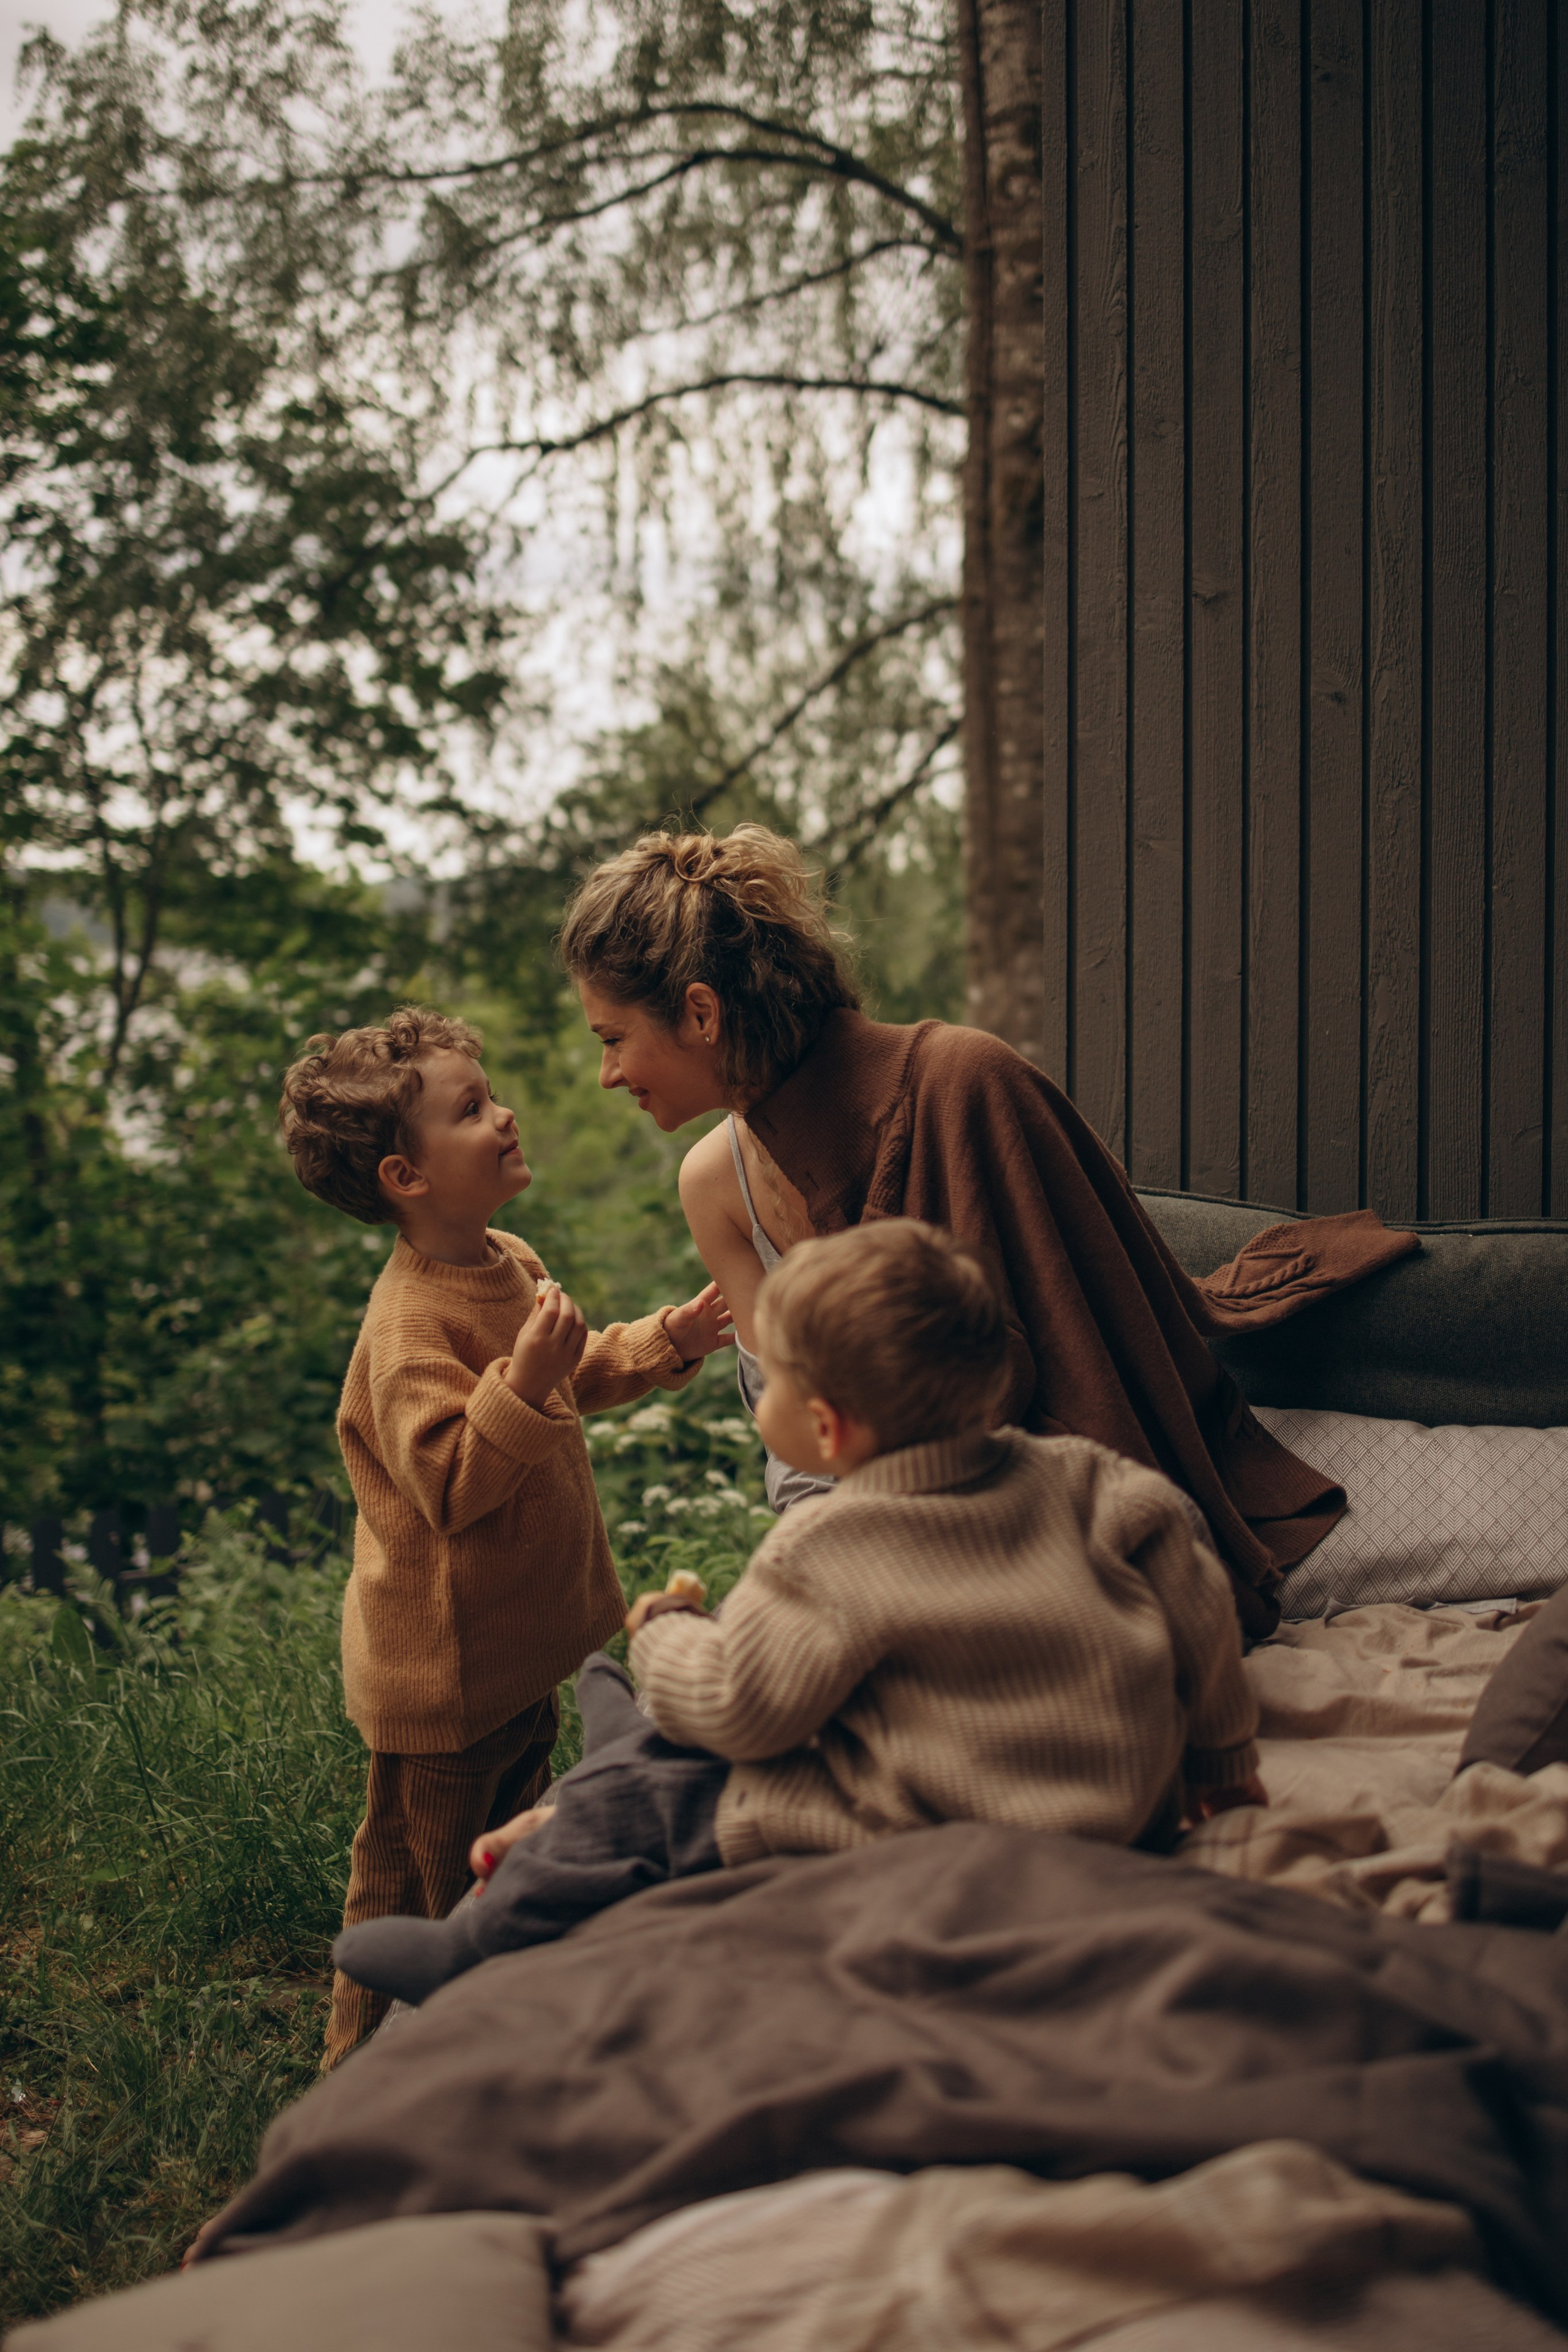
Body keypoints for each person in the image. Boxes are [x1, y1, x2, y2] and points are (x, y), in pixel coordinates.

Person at [331, 1219, 1262, 2008]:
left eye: (768, 1380)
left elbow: (746, 1707)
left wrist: (663, 1639)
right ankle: (627, 1742)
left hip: (937, 1844)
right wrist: (1219, 1760)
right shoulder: (1091, 1478)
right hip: (1123, 1820)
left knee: (678, 1796)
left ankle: (486, 1936)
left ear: (825, 1430)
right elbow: (1200, 1602)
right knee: (711, 1730)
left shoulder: (832, 1544)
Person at [558, 826, 1419, 1637]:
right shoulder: (714, 1187)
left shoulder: (966, 1081)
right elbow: (805, 1449)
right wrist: (817, 1579)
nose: (605, 1075)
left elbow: (1076, 1376)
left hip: (1022, 1523)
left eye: (613, 1039)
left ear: (701, 1015)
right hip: (868, 1543)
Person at [277, 1006, 734, 2067]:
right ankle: (367, 2083)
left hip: (522, 1655)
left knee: (514, 1853)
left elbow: (563, 1374)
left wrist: (662, 1341)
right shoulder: (406, 1328)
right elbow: (449, 1482)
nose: (506, 1112)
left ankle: (507, 2032)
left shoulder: (506, 1259)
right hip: (445, 1683)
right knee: (420, 1896)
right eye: (473, 1108)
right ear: (407, 1176)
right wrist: (522, 1379)